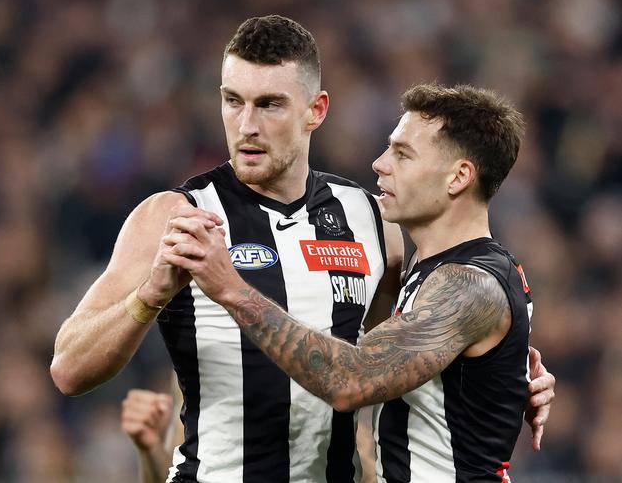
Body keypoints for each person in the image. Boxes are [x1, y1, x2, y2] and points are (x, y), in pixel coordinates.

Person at [50, 15, 554, 483]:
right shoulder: (173, 216)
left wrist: (502, 378)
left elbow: (388, 360)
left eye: (269, 104)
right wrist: (149, 296)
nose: (246, 124)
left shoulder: (372, 220)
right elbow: (69, 370)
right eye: (232, 100)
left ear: (316, 110)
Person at [160, 82, 548, 482]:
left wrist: (231, 288)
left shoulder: (468, 283)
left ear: (458, 177)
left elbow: (351, 380)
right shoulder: (434, 272)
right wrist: (514, 373)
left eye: (403, 154)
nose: (380, 164)